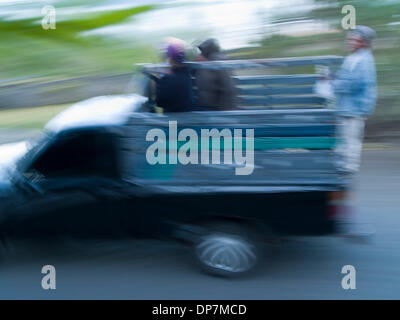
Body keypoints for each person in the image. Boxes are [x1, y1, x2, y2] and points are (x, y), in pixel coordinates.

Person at [333, 26, 377, 174]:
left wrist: (335, 84)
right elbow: (345, 78)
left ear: (363, 42)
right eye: (349, 39)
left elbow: (356, 82)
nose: (350, 42)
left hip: (355, 108)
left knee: (351, 139)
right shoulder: (352, 58)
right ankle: (342, 163)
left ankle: (349, 167)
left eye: (354, 39)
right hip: (346, 106)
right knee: (344, 137)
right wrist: (335, 78)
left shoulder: (364, 60)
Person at [194, 38, 237, 110]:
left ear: (208, 50)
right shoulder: (208, 61)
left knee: (174, 119)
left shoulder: (216, 62)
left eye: (203, 50)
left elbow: (227, 87)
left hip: (219, 107)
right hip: (212, 106)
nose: (201, 53)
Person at [155, 38, 193, 113]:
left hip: (173, 120)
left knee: (172, 124)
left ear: (170, 59)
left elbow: (159, 103)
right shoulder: (188, 73)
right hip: (188, 116)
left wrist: (159, 83)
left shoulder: (166, 79)